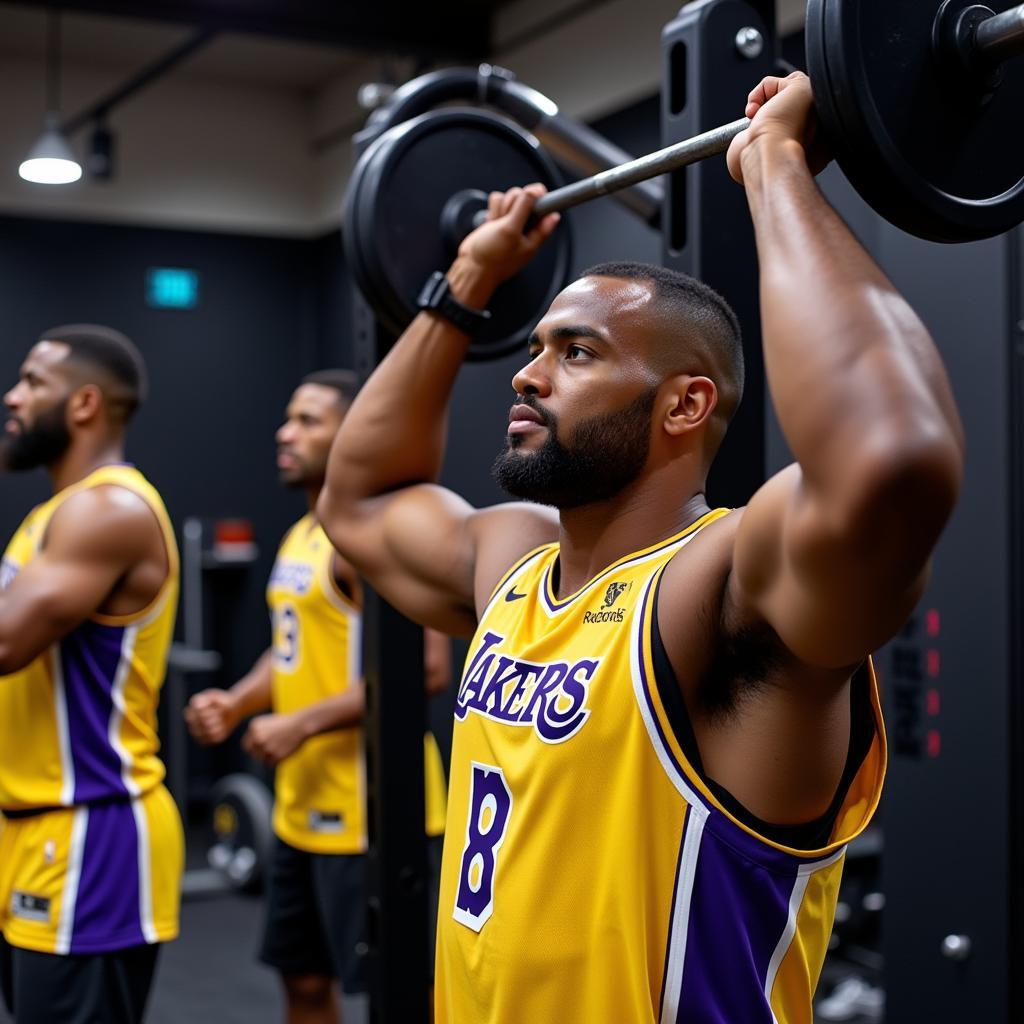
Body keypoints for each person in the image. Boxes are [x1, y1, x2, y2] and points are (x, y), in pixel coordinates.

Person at [317, 72, 965, 1023]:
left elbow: (889, 461)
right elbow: (359, 496)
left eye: (576, 353)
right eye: (534, 348)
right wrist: (468, 284)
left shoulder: (721, 590)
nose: (528, 375)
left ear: (686, 404)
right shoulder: (514, 568)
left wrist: (775, 166)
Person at [185, 370, 449, 1024]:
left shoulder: (371, 535)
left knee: (402, 997)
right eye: (288, 418)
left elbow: (427, 668)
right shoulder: (304, 533)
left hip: (373, 818)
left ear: (354, 432)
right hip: (299, 812)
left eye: (307, 420)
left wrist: (301, 723)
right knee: (302, 985)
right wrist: (240, 702)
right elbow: (291, 646)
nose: (286, 432)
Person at [0, 325, 183, 1024]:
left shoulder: (108, 509)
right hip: (32, 827)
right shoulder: (54, 515)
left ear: (82, 404)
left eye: (32, 383)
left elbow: (6, 642)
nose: (13, 398)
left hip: (92, 834)